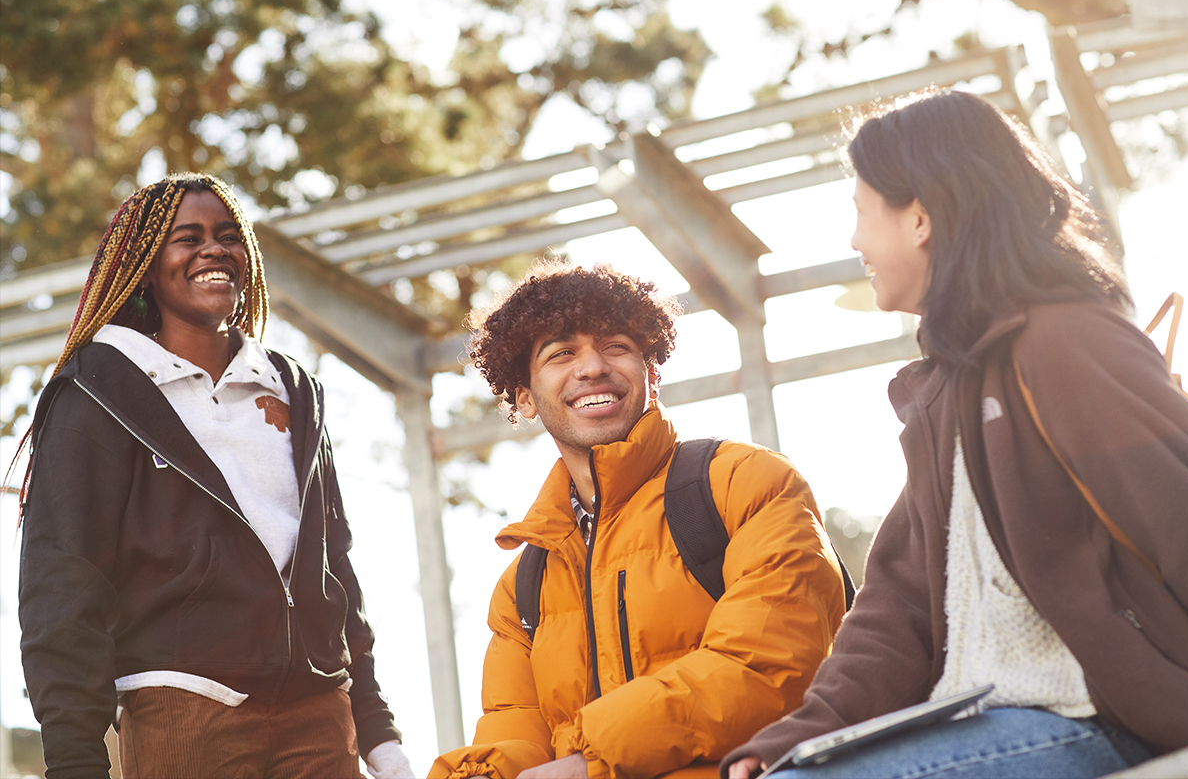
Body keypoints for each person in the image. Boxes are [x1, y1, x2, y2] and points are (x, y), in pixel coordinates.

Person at [722, 89, 1188, 779]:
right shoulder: (949, 389)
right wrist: (792, 740)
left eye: (861, 213)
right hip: (991, 724)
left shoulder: (1065, 340)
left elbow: (1184, 518)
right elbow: (899, 607)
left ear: (919, 217)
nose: (855, 242)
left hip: (1095, 721)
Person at [13, 173, 414, 779]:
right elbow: (62, 581)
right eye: (187, 237)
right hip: (182, 709)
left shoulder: (295, 390)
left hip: (319, 712)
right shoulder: (98, 389)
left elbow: (335, 568)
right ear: (146, 266)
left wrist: (377, 729)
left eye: (229, 236)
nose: (214, 249)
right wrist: (75, 759)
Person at [429, 262, 848, 779]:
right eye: (562, 353)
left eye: (616, 346)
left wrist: (589, 763)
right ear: (524, 398)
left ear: (652, 374)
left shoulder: (746, 482)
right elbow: (513, 729)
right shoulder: (523, 588)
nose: (591, 368)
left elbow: (768, 665)